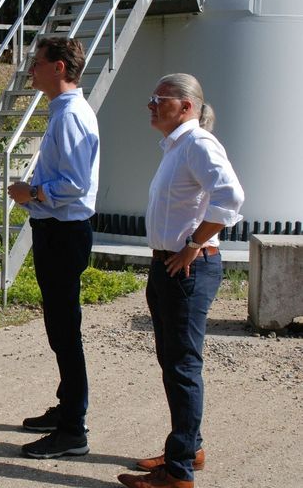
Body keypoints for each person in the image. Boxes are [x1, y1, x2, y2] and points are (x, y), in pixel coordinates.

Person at [117, 74, 244, 488]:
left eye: (160, 99)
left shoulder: (198, 144)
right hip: (167, 266)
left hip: (188, 266)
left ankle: (179, 473)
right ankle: (189, 448)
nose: (151, 105)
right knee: (173, 363)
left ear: (186, 106)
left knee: (183, 366)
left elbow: (231, 197)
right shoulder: (176, 146)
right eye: (152, 98)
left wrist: (193, 243)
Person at [8, 37, 99, 458]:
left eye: (37, 63)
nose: (32, 70)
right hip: (57, 231)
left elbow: (75, 184)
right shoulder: (63, 111)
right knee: (60, 329)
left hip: (64, 233)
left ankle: (72, 429)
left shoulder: (71, 116)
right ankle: (67, 408)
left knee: (65, 332)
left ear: (59, 67)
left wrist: (33, 192)